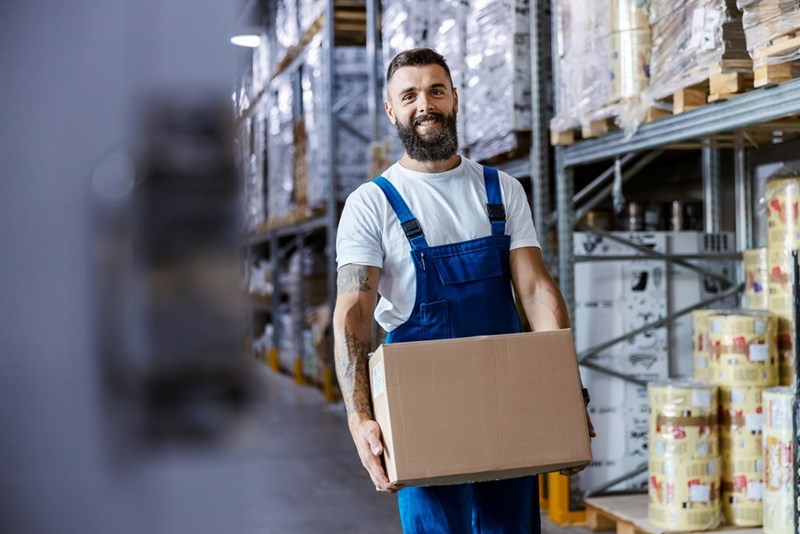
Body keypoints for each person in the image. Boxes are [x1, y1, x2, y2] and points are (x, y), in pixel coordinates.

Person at [333, 48, 595, 534]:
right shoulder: (373, 204)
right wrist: (360, 417)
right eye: (408, 95)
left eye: (436, 90)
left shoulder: (501, 189)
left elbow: (536, 291)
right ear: (391, 110)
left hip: (506, 401)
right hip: (421, 413)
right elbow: (353, 313)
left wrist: (565, 396)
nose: (424, 105)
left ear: (455, 98)